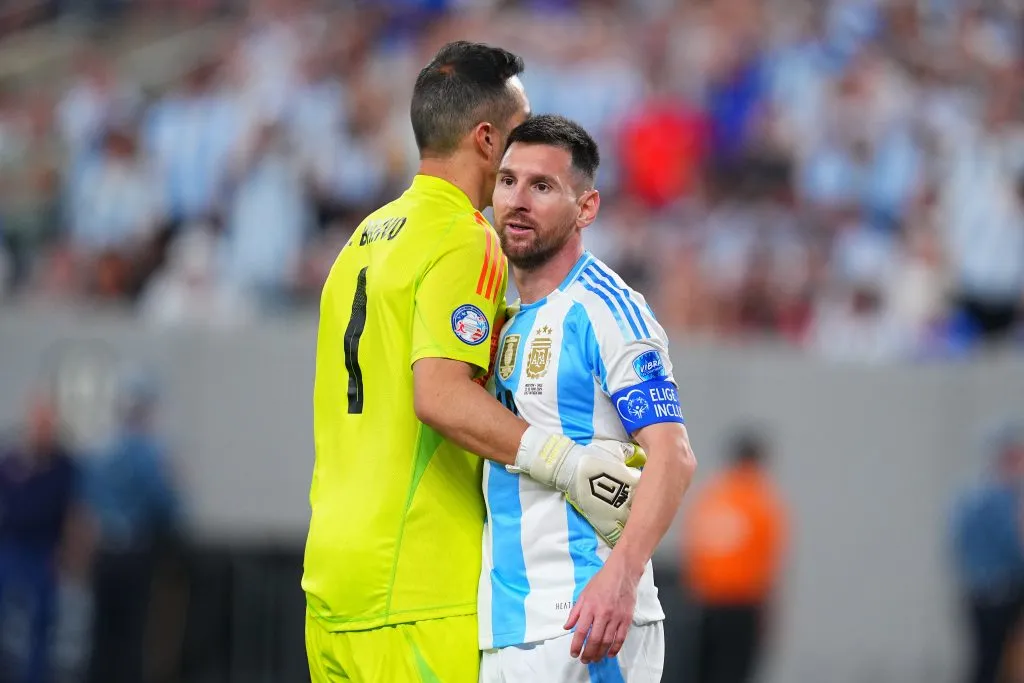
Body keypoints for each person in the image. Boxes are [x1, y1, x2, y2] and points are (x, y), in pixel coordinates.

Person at [302, 42, 647, 683]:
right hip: (417, 585)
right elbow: (438, 394)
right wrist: (570, 465)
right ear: (488, 141)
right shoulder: (466, 236)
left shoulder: (362, 239)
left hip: (331, 579)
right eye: (521, 137)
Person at [479, 114, 698, 681]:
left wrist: (621, 580)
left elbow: (673, 456)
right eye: (508, 181)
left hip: (586, 624)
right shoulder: (503, 312)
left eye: (543, 186)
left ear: (587, 207)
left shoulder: (606, 309)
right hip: (510, 628)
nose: (518, 201)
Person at [682, 429, 788, 683]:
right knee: (734, 672)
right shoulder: (762, 503)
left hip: (705, 602)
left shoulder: (712, 496)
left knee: (701, 672)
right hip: (743, 604)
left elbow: (694, 549)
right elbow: (767, 564)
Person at [0, 392, 87, 683]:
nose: (41, 429)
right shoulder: (12, 462)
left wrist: (71, 554)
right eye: (37, 422)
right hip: (11, 545)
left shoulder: (65, 466)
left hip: (45, 548)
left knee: (43, 620)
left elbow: (75, 511)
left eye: (46, 423)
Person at [950, 422, 1024, 683]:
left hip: (991, 591)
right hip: (997, 593)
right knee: (990, 660)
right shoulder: (992, 500)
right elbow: (1012, 545)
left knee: (993, 661)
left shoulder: (977, 498)